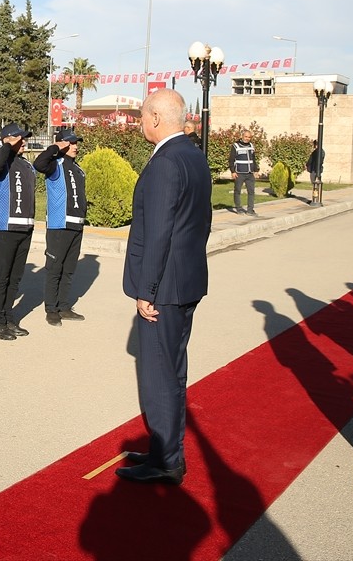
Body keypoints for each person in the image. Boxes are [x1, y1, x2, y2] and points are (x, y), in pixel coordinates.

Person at [116, 89, 211, 485]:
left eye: (141, 117)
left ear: (155, 118)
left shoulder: (166, 162)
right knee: (172, 370)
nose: (140, 124)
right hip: (184, 281)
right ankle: (164, 447)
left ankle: (167, 460)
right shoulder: (193, 154)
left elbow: (158, 233)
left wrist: (147, 289)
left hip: (164, 289)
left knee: (158, 375)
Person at [0, 123, 37, 340]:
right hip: (4, 229)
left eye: (24, 138)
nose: (23, 141)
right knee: (2, 277)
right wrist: (8, 145)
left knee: (15, 278)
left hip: (24, 228)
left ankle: (8, 318)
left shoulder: (26, 165)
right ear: (7, 140)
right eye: (19, 138)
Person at [34, 127, 87, 326]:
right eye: (70, 143)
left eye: (76, 143)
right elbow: (38, 163)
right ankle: (51, 309)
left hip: (76, 225)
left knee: (69, 268)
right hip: (59, 224)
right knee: (55, 268)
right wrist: (56, 146)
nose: (75, 146)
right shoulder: (54, 165)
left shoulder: (78, 169)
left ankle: (64, 306)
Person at [229, 129, 258, 215]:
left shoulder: (251, 146)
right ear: (242, 136)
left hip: (250, 173)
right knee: (237, 191)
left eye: (249, 137)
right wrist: (233, 171)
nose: (247, 138)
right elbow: (231, 160)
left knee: (251, 192)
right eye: (246, 136)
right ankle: (239, 208)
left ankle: (250, 210)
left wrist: (256, 170)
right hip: (239, 173)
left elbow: (253, 159)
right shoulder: (235, 146)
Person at [306, 139, 325, 204]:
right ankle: (315, 198)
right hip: (318, 170)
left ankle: (315, 199)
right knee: (316, 185)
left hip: (314, 170)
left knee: (315, 184)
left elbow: (310, 160)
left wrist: (307, 165)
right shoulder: (322, 151)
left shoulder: (316, 152)